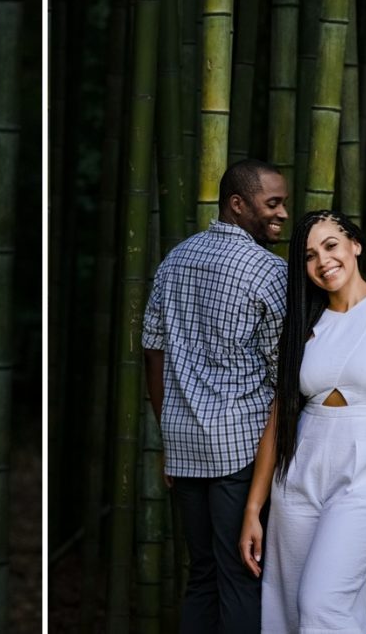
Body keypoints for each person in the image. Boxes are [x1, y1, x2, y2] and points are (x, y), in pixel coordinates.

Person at [237, 210, 366, 633]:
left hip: (363, 483)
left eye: (330, 245)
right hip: (296, 481)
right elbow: (279, 420)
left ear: (355, 245)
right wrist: (254, 508)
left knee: (321, 605)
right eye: (310, 256)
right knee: (289, 612)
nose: (323, 261)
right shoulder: (304, 328)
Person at [143, 158, 290, 633]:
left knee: (202, 576)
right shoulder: (269, 271)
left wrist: (169, 427)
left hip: (184, 444)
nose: (283, 213)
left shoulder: (176, 259)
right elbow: (281, 370)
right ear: (237, 204)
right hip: (243, 448)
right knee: (243, 575)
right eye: (273, 203)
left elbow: (153, 348)